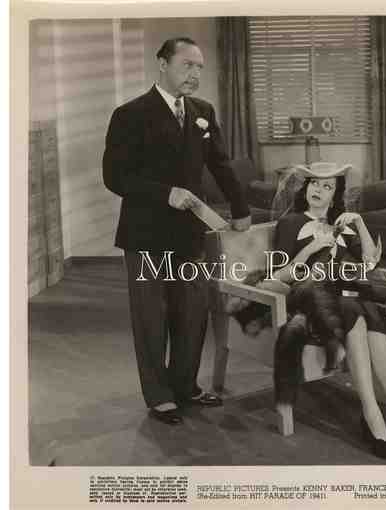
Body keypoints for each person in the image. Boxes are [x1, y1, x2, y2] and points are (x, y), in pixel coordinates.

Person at [103, 37, 251, 426]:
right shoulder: (129, 114)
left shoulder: (203, 112)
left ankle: (185, 386)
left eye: (199, 67)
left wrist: (240, 209)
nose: (195, 74)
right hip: (145, 236)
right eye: (187, 65)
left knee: (192, 314)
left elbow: (220, 164)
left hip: (189, 234)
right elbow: (114, 177)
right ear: (163, 64)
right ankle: (159, 396)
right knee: (152, 318)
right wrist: (165, 193)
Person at [269, 163, 386, 463]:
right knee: (358, 307)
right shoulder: (290, 223)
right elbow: (279, 276)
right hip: (308, 301)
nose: (319, 190)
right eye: (314, 183)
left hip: (345, 302)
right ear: (305, 188)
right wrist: (310, 249)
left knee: (360, 308)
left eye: (327, 186)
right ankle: (374, 415)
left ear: (335, 195)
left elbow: (369, 262)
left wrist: (359, 222)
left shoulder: (341, 224)